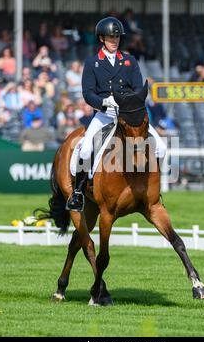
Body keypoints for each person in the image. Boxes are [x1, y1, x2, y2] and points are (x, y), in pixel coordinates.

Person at [66, 16, 167, 211]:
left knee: (161, 149)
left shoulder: (129, 61)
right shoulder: (92, 63)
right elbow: (87, 93)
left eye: (117, 37)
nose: (114, 41)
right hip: (104, 115)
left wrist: (128, 103)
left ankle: (153, 190)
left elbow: (138, 88)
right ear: (102, 39)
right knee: (86, 149)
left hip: (128, 115)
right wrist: (104, 103)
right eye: (110, 38)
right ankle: (78, 192)